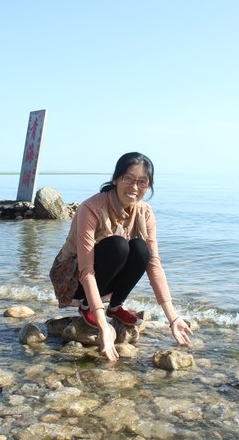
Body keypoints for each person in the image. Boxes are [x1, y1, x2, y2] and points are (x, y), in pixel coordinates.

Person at [49, 152, 193, 361]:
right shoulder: (90, 208)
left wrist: (173, 318)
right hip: (72, 276)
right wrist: (103, 326)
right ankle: (88, 307)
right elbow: (86, 270)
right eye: (128, 179)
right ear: (116, 179)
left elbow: (153, 265)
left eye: (142, 182)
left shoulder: (145, 212)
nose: (134, 187)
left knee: (142, 249)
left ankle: (116, 306)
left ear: (148, 186)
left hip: (102, 276)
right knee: (118, 245)